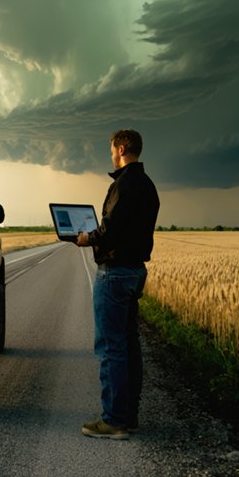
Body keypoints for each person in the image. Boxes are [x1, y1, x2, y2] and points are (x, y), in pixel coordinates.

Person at [75, 129, 159, 440]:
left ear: (122, 148)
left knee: (111, 348)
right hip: (136, 271)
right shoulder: (148, 185)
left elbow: (110, 230)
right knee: (129, 345)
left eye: (111, 149)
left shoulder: (122, 185)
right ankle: (129, 416)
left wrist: (87, 238)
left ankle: (114, 421)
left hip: (115, 273)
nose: (110, 154)